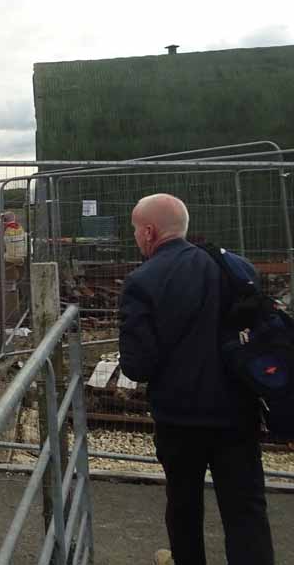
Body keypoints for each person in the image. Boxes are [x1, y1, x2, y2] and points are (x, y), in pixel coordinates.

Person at [118, 193, 273, 565]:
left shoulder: (142, 281)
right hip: (238, 414)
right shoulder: (237, 268)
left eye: (137, 231)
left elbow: (136, 366)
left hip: (179, 418)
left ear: (150, 232)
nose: (137, 239)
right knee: (246, 510)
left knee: (184, 507)